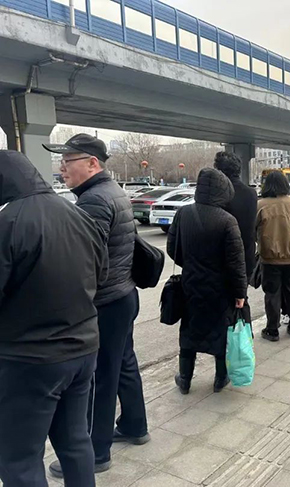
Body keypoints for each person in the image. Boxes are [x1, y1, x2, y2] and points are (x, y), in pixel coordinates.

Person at [45, 134, 149, 478]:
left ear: (92, 163)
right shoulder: (112, 190)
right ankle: (134, 425)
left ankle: (96, 452)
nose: (62, 169)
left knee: (101, 377)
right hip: (123, 295)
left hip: (105, 303)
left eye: (68, 161)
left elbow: (85, 263)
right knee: (123, 363)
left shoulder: (93, 201)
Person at [0, 151, 106, 487]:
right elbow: (100, 275)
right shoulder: (78, 215)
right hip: (83, 351)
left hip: (29, 360)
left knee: (19, 458)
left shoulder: (8, 223)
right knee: (75, 441)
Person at [167, 168, 247, 395]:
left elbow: (172, 248)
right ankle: (220, 378)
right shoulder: (227, 221)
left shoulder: (183, 213)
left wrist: (191, 265)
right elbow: (236, 263)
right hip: (220, 289)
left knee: (189, 331)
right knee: (220, 332)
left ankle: (184, 379)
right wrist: (240, 293)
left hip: (190, 285)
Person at [256, 171, 290, 341]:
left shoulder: (261, 205)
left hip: (270, 257)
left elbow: (253, 229)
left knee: (272, 294)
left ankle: (272, 329)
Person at [214, 151, 258, 279]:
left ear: (219, 171)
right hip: (245, 258)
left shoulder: (217, 193)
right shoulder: (251, 193)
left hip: (221, 260)